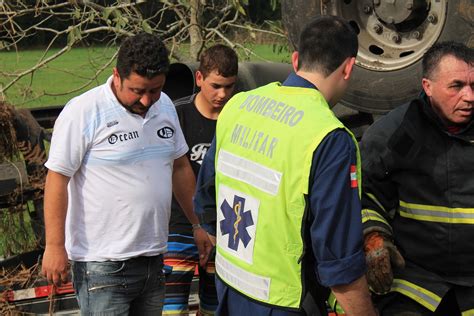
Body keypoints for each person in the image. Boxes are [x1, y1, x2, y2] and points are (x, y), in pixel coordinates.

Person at [193, 16, 378, 315]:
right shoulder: (329, 138)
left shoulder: (238, 106)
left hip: (230, 290)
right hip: (285, 304)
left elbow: (205, 197)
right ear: (348, 67)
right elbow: (338, 260)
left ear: (295, 60)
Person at [41, 32, 209, 315]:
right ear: (117, 76)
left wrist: (197, 224)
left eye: (154, 90)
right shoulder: (83, 112)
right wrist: (55, 246)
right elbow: (57, 178)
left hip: (154, 258)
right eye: (137, 90)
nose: (146, 100)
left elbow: (179, 167)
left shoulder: (165, 106)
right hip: (102, 266)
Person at [360, 41, 473, 315]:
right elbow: (365, 192)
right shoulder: (397, 134)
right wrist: (374, 237)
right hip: (418, 285)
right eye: (456, 86)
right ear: (427, 86)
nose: (469, 96)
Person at [163, 44, 238, 315]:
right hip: (179, 228)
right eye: (216, 85)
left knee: (215, 309)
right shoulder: (175, 114)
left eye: (229, 87)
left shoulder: (240, 119)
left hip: (226, 230)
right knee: (171, 310)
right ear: (199, 78)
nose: (222, 94)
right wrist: (196, 224)